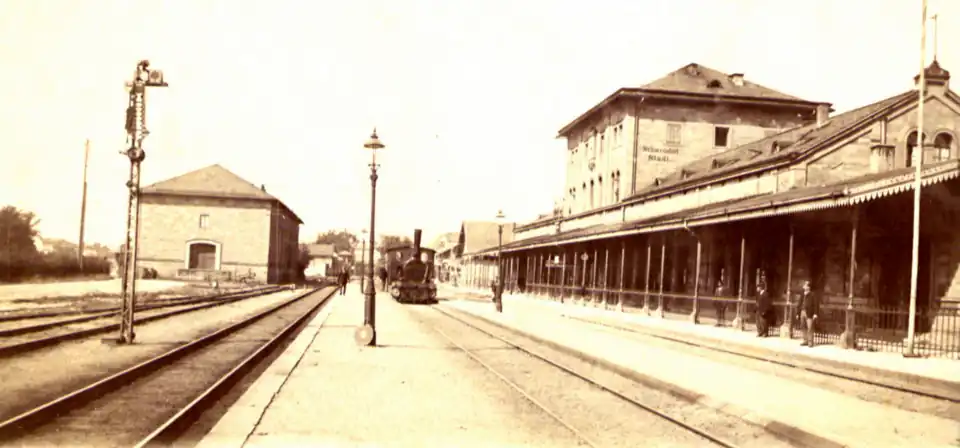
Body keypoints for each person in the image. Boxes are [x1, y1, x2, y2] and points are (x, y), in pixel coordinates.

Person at [797, 280, 819, 346]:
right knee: (803, 327)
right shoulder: (802, 294)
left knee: (810, 327)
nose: (804, 286)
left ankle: (810, 342)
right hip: (802, 312)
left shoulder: (812, 294)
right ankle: (805, 340)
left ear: (808, 287)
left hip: (809, 313)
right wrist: (797, 313)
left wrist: (815, 313)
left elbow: (816, 304)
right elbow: (799, 304)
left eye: (805, 285)